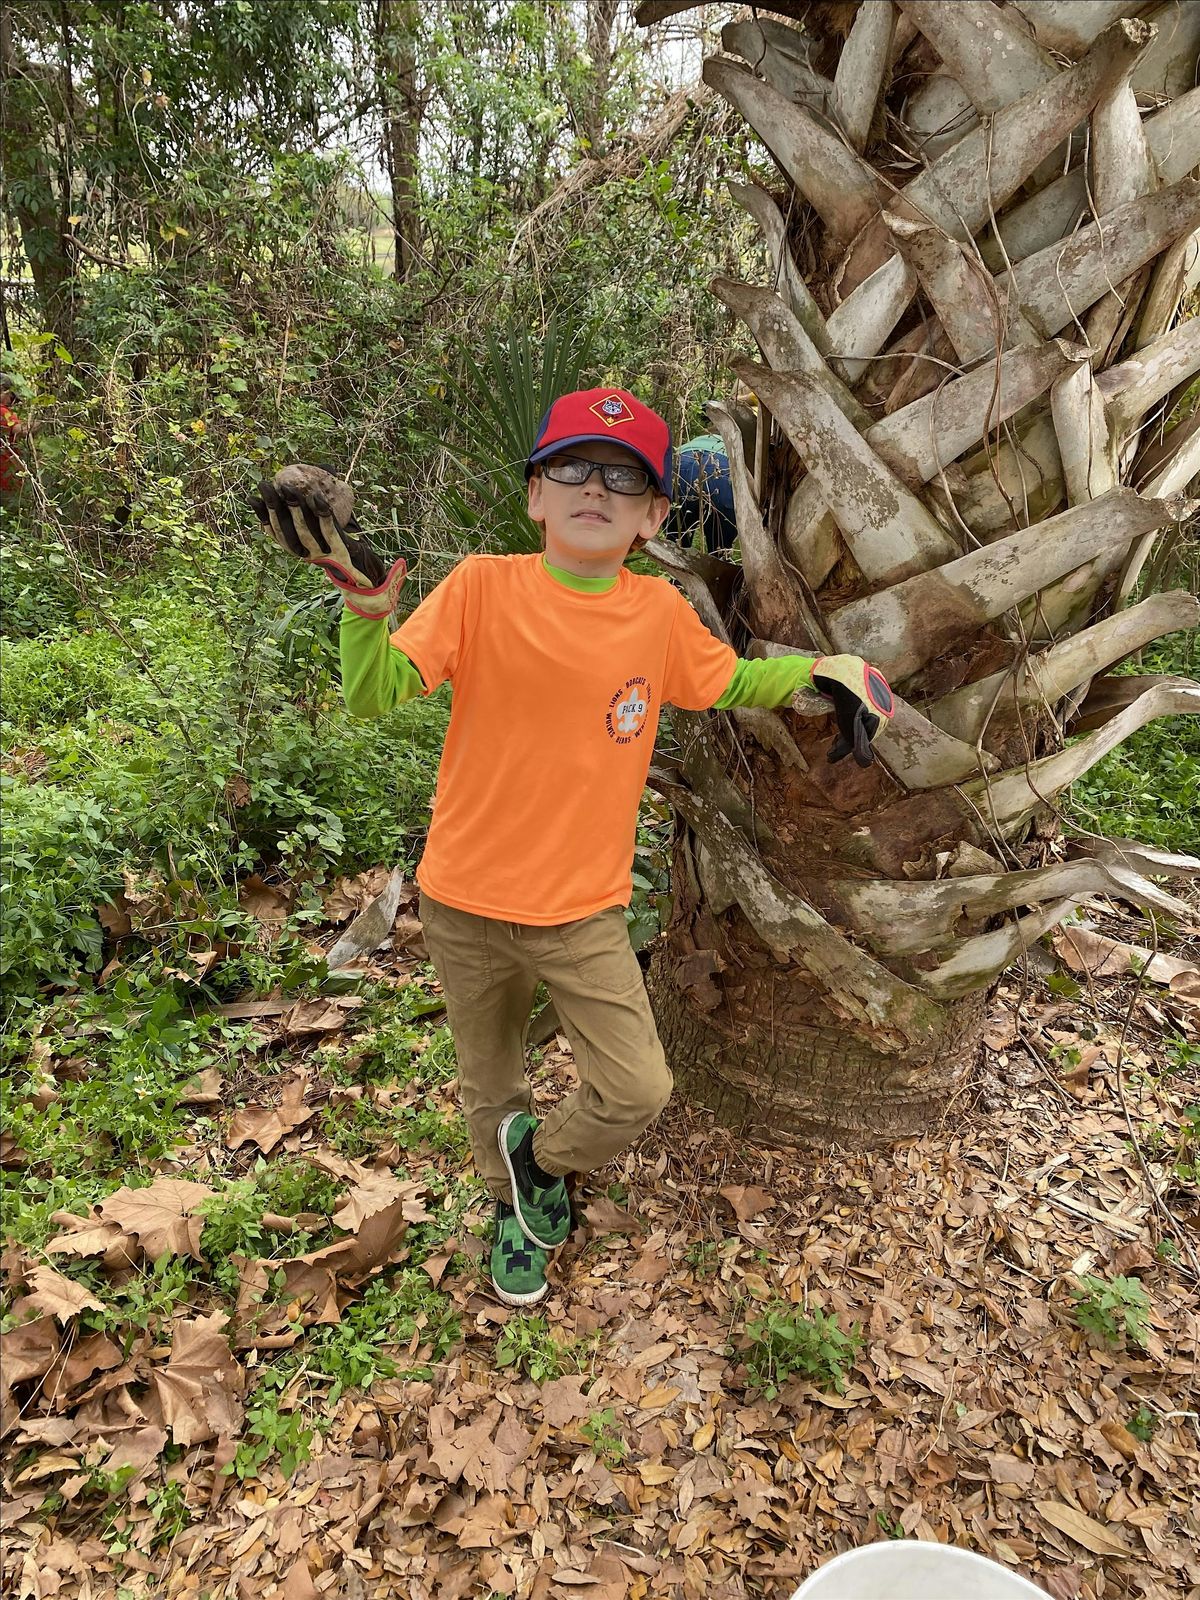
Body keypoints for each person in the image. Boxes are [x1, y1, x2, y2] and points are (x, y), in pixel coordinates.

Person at [254, 388, 894, 1307]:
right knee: (492, 1081)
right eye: (572, 468)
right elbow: (375, 695)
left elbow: (730, 682)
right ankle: (513, 1213)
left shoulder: (660, 615)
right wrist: (366, 610)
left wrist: (827, 671)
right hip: (463, 901)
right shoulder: (481, 585)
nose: (595, 487)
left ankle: (540, 1165)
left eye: (623, 476)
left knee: (638, 1086)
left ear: (652, 516)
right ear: (536, 497)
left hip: (582, 912)